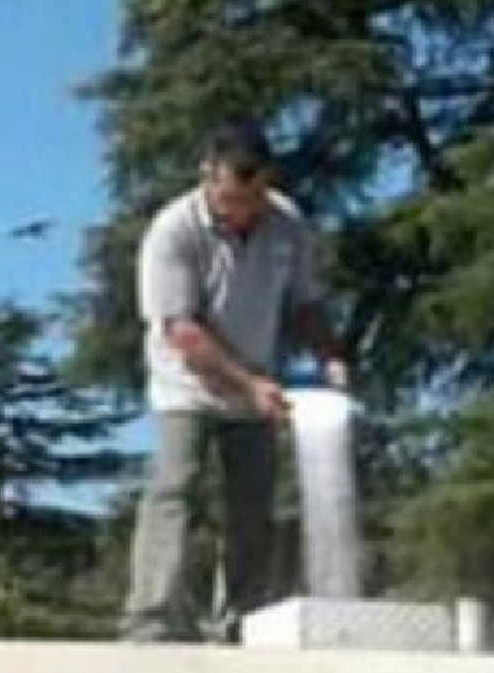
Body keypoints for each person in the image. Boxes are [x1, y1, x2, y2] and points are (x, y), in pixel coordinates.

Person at [122, 119, 348, 643]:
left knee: (253, 505)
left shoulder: (287, 223)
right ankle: (150, 618)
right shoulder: (173, 230)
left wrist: (329, 355)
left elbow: (306, 302)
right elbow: (182, 330)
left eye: (251, 200)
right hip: (189, 385)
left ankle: (242, 618)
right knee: (175, 487)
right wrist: (246, 385)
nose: (240, 212)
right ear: (208, 178)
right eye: (229, 201)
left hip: (256, 385)